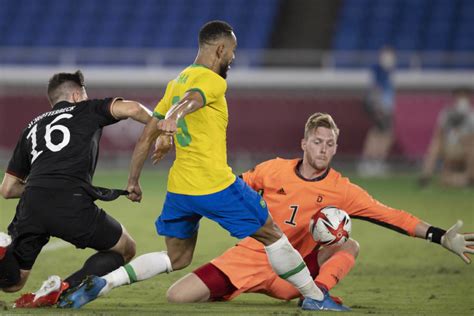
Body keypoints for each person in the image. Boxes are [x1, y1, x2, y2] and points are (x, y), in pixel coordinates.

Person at [59, 21, 348, 311]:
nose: (233, 58)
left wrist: (133, 180)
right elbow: (191, 101)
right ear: (221, 49)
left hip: (180, 190)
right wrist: (174, 116)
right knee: (273, 235)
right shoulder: (212, 80)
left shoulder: (177, 80)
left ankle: (106, 282)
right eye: (232, 51)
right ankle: (315, 297)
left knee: (177, 257)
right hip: (215, 184)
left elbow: (148, 132)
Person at [163, 112, 473, 305]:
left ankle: (318, 296)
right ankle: (228, 290)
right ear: (304, 143)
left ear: (336, 148)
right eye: (317, 142)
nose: (323, 149)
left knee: (349, 244)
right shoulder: (272, 170)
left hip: (298, 274)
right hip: (249, 260)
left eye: (329, 144)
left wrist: (440, 236)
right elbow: (227, 191)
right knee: (177, 297)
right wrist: (193, 207)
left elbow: (392, 216)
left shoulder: (342, 189)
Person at [0, 70, 152, 307]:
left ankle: (4, 254)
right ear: (76, 95)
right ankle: (66, 287)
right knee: (126, 249)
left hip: (32, 202)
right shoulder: (87, 108)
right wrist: (160, 124)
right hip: (70, 201)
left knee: (13, 281)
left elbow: (8, 189)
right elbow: (132, 109)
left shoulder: (31, 127)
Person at [420, 88, 474, 187]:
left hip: (466, 147)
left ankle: (470, 177)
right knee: (435, 144)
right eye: (459, 96)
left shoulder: (471, 114)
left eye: (464, 96)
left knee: (471, 145)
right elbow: (439, 133)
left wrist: (463, 138)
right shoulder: (447, 113)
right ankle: (425, 177)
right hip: (450, 146)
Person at [358, 46, 397, 176]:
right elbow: (375, 89)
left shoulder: (389, 71)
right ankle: (372, 162)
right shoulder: (379, 70)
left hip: (383, 107)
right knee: (381, 134)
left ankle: (373, 161)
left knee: (381, 133)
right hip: (380, 107)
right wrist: (378, 107)